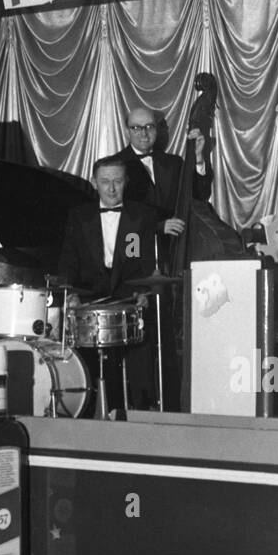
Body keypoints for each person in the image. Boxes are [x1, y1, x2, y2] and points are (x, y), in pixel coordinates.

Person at [58, 156, 184, 414]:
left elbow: (140, 261)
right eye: (105, 182)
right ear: (94, 182)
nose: (112, 189)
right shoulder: (79, 217)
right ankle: (88, 408)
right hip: (90, 297)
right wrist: (70, 295)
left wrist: (141, 293)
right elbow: (68, 263)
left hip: (127, 296)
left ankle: (139, 408)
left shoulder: (140, 217)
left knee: (140, 351)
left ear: (126, 182)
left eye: (117, 181)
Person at [105, 104, 211, 218]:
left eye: (149, 126)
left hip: (173, 235)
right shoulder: (112, 166)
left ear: (156, 129)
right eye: (136, 128)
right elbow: (112, 215)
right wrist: (159, 226)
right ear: (127, 132)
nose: (144, 133)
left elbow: (199, 196)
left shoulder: (175, 163)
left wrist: (198, 158)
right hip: (134, 235)